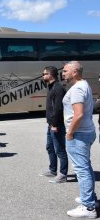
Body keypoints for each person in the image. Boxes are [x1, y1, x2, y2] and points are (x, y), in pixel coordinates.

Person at [62, 61, 97, 218]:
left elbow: (79, 114)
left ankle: (88, 208)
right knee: (86, 167)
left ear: (75, 72)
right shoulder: (85, 84)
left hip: (79, 134)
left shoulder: (76, 89)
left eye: (65, 71)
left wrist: (70, 132)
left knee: (81, 170)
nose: (63, 73)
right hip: (87, 131)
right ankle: (89, 199)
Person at [39, 66, 68, 183]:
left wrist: (55, 124)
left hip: (57, 124)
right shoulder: (51, 87)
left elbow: (59, 108)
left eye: (44, 74)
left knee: (60, 149)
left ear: (50, 75)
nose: (43, 76)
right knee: (50, 147)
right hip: (51, 124)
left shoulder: (58, 88)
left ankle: (63, 174)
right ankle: (52, 170)